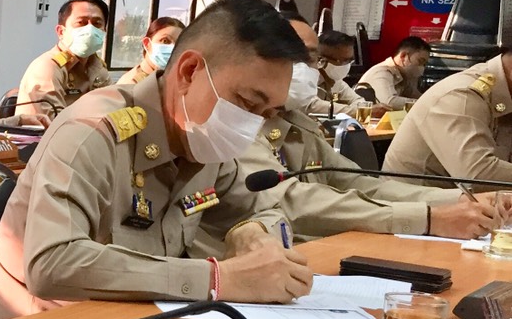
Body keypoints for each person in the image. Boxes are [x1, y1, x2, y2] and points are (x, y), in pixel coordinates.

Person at [0, 0, 313, 319]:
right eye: (246, 103)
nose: (252, 124)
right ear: (188, 72)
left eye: (267, 111)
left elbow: (267, 209)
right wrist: (215, 280)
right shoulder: (91, 132)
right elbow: (52, 264)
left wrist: (253, 232)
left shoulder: (203, 140)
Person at [191, 56, 493, 259]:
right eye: (301, 57)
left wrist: (458, 201)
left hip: (314, 256)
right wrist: (427, 218)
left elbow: (360, 183)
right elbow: (291, 201)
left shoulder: (294, 122)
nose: (306, 69)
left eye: (311, 57)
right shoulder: (236, 122)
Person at [383, 50, 512, 184]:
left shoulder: (502, 92)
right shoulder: (461, 96)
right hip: (410, 201)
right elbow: (478, 176)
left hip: (460, 200)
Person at [1, 0, 112, 128]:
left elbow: (112, 112)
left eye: (97, 24)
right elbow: (56, 125)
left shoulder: (98, 68)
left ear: (104, 31)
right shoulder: (47, 67)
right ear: (61, 31)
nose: (90, 29)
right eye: (81, 22)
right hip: (42, 145)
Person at [294, 22, 371, 117]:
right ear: (321, 60)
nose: (347, 65)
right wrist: (354, 111)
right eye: (342, 60)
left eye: (350, 61)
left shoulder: (336, 81)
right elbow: (311, 105)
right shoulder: (303, 76)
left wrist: (356, 110)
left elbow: (359, 101)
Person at [356, 36, 430, 110]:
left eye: (424, 64)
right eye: (420, 61)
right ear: (403, 56)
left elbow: (415, 95)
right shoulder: (381, 72)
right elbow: (389, 102)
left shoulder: (404, 75)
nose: (422, 67)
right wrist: (423, 104)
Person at [119, 16, 185, 87]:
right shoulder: (131, 86)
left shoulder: (169, 80)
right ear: (147, 44)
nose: (173, 47)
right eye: (165, 41)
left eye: (179, 42)